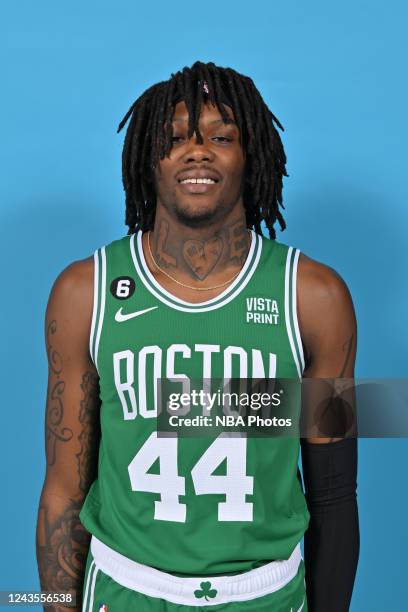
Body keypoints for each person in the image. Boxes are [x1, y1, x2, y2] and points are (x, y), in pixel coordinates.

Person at [36, 61, 359, 611]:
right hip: (125, 589)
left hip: (266, 595)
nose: (198, 151)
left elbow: (332, 495)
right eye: (175, 137)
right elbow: (65, 490)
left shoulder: (316, 297)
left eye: (222, 137)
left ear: (250, 154)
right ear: (148, 159)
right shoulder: (82, 292)